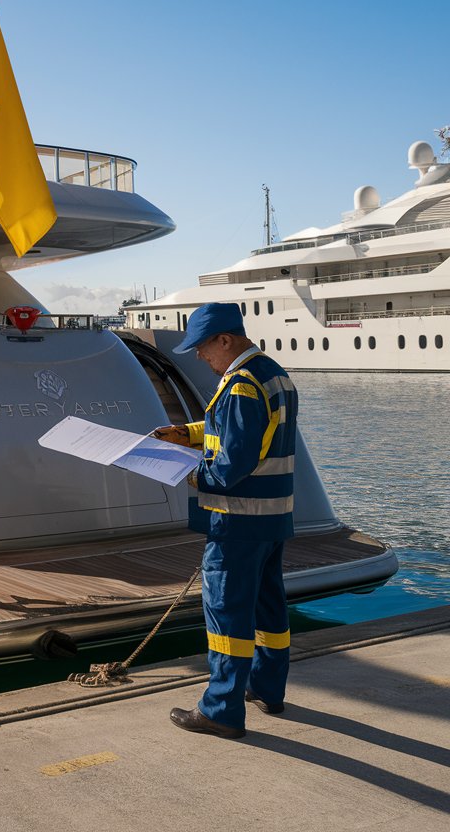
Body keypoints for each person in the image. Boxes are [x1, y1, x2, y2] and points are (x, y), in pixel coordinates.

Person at [153, 302, 298, 739]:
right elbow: (245, 431)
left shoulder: (239, 385)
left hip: (237, 521)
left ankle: (221, 710)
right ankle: (268, 690)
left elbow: (231, 465)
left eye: (201, 347)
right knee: (268, 609)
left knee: (226, 615)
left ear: (225, 340)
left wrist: (185, 470)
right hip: (272, 519)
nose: (198, 356)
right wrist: (188, 433)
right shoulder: (272, 373)